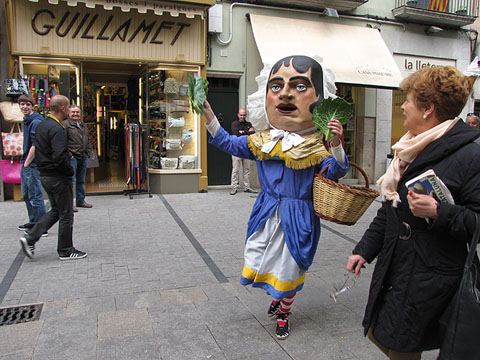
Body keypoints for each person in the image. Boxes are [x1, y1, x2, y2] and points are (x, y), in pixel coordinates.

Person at [203, 55, 349, 339]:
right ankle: (278, 299)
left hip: (299, 217)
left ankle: (283, 312)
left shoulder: (317, 146)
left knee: (291, 267)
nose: (285, 93)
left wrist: (336, 146)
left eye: (299, 86)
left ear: (320, 100)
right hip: (266, 213)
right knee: (267, 261)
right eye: (277, 86)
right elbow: (227, 142)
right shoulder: (263, 140)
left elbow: (335, 172)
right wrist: (210, 116)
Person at [346, 64, 480, 359]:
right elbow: (390, 208)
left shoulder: (471, 155)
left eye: (408, 100)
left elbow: (476, 220)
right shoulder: (408, 148)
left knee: (402, 346)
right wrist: (364, 250)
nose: (403, 106)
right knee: (391, 338)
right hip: (400, 266)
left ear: (428, 109)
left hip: (430, 277)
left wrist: (439, 211)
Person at [20, 95, 87, 261]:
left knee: (57, 210)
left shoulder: (42, 124)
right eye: (68, 106)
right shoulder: (57, 128)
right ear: (63, 108)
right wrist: (68, 171)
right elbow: (58, 156)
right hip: (57, 176)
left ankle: (30, 237)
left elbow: (38, 147)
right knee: (66, 213)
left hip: (45, 174)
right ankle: (65, 249)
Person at [17, 94, 47, 235]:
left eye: (27, 104)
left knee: (34, 194)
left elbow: (36, 145)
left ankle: (41, 226)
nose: (24, 107)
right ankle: (34, 221)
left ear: (32, 106)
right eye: (22, 104)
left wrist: (27, 163)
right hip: (27, 162)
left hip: (31, 163)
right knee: (27, 194)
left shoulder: (35, 122)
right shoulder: (27, 120)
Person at [63, 105, 94, 211]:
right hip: (73, 157)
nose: (75, 114)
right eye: (73, 112)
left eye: (77, 112)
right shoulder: (65, 125)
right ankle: (69, 204)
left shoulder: (82, 124)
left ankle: (81, 200)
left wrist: (89, 151)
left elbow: (88, 138)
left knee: (81, 180)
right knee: (71, 181)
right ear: (68, 113)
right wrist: (69, 155)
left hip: (83, 155)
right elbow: (63, 141)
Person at [230, 108, 257, 195]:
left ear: (246, 115)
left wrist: (242, 132)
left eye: (244, 115)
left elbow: (253, 133)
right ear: (238, 115)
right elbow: (235, 134)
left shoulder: (249, 124)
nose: (242, 116)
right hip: (236, 150)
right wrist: (246, 132)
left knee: (247, 170)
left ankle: (247, 187)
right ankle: (234, 187)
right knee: (235, 170)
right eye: (241, 115)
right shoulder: (234, 124)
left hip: (246, 150)